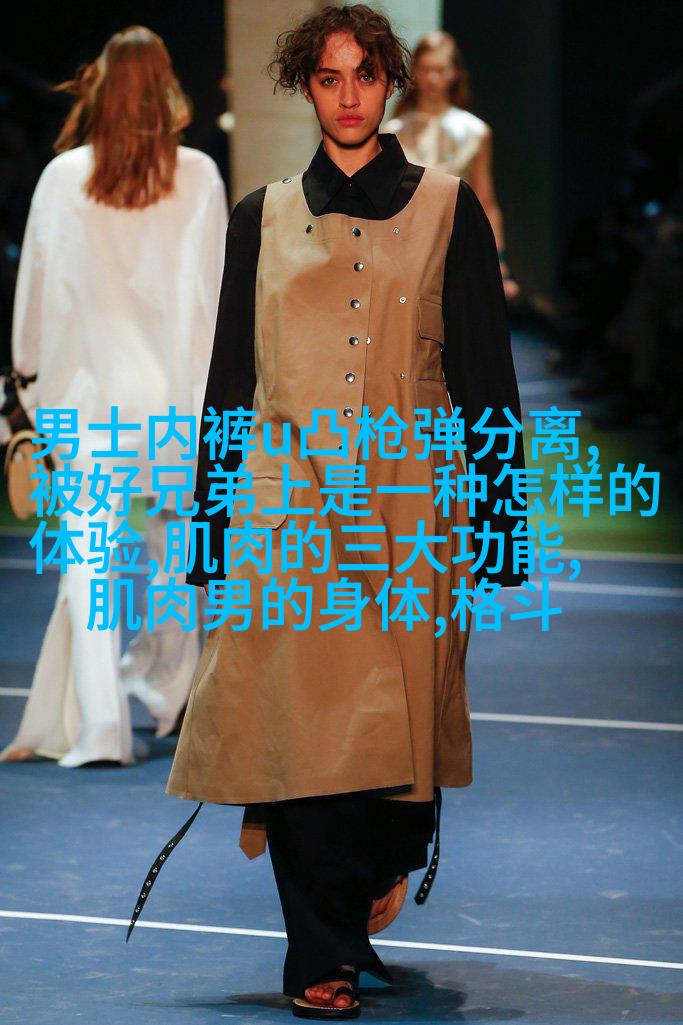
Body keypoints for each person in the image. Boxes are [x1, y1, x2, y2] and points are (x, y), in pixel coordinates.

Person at [127, 5, 527, 1019]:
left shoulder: (446, 208)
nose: (347, 96)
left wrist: (501, 522)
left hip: (410, 508)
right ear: (304, 88)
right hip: (284, 505)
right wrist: (212, 524)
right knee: (295, 729)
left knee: (399, 746)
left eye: (363, 76)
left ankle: (378, 871)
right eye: (327, 78)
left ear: (390, 83)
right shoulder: (259, 216)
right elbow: (230, 379)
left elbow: (485, 375)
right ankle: (320, 949)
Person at [0, 26, 227, 768]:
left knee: (88, 559)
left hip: (88, 399)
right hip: (173, 398)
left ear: (97, 85)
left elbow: (36, 295)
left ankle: (102, 727)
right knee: (175, 552)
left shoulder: (63, 178)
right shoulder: (198, 176)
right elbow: (213, 301)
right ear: (167, 87)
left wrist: (23, 386)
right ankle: (170, 694)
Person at [383, 30, 520, 301]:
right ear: (415, 72)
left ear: (454, 73)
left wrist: (499, 261)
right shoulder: (392, 132)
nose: (432, 78)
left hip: (460, 244)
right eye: (425, 69)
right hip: (406, 248)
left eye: (440, 69)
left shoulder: (476, 131)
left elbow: (485, 201)